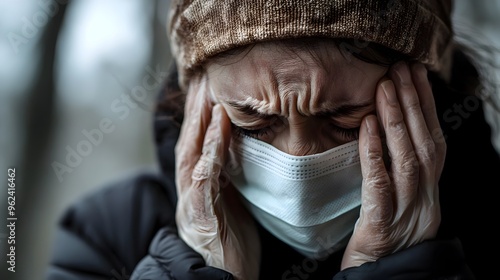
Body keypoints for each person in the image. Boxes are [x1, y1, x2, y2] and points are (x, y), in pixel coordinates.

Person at [46, 0, 500, 279]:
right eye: (252, 122)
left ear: (429, 93)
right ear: (197, 101)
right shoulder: (106, 234)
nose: (298, 158)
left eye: (345, 119)